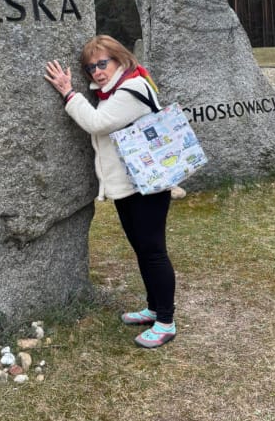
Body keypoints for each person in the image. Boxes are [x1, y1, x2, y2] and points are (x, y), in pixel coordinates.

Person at [44, 35, 184, 348]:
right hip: (132, 186)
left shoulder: (131, 88)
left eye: (102, 63)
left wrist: (68, 92)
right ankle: (153, 308)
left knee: (153, 251)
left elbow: (97, 123)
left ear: (120, 59)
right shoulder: (117, 89)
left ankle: (166, 321)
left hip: (146, 187)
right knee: (144, 250)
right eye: (90, 67)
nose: (96, 71)